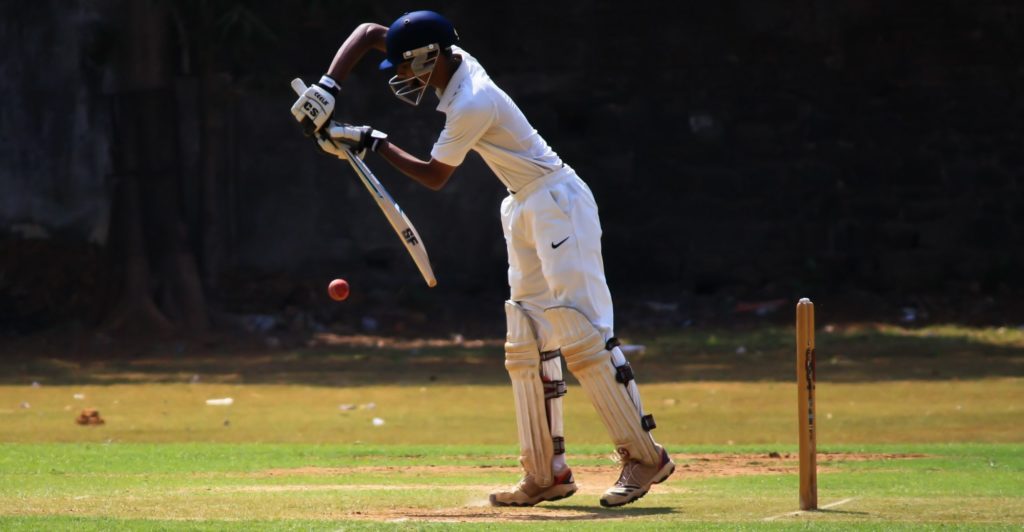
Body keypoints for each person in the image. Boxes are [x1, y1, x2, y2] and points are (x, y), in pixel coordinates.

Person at [290, 10, 675, 508]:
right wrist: (327, 88)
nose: (402, 78)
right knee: (526, 341)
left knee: (583, 335)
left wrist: (371, 141)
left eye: (405, 69)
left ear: (429, 58)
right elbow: (367, 34)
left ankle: (645, 456)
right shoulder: (445, 55)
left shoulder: (471, 101)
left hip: (559, 202)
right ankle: (546, 473)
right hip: (521, 204)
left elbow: (434, 175)